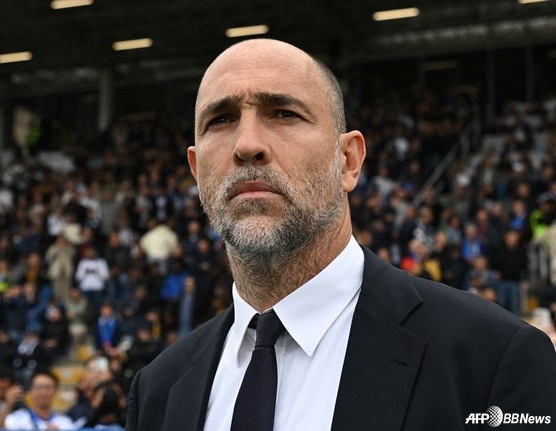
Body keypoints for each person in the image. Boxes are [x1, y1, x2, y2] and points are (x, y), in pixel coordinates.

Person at [126, 39, 556, 430]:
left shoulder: (493, 357)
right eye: (221, 119)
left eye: (284, 113)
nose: (247, 144)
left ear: (348, 160)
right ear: (197, 170)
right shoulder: (157, 392)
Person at [3, 370, 74, 430]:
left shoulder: (65, 423)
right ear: (31, 391)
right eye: (39, 387)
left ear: (56, 392)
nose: (43, 393)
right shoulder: (17, 419)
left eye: (48, 388)